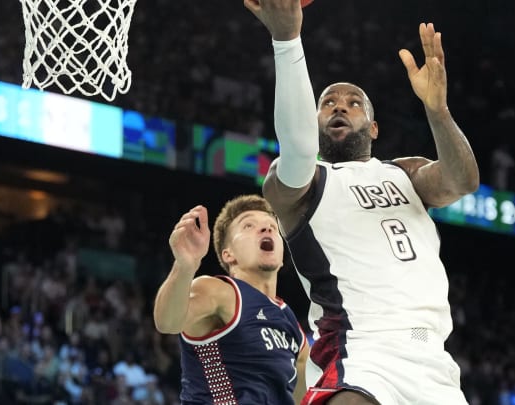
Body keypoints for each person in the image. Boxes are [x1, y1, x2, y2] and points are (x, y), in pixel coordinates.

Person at [243, 1, 480, 404]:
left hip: (433, 362)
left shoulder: (406, 173)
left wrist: (437, 112)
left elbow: (463, 180)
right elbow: (299, 150)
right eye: (327, 104)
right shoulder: (300, 184)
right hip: (360, 350)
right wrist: (287, 40)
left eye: (353, 103)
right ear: (313, 123)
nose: (339, 106)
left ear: (373, 127)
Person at [153, 194, 309, 404]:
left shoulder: (293, 328)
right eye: (248, 226)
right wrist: (185, 266)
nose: (266, 229)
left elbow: (303, 400)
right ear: (228, 254)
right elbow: (167, 322)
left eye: (272, 225)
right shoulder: (218, 291)